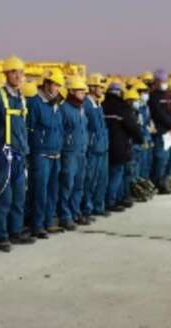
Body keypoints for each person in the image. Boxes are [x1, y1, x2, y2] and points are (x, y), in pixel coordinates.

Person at [0, 56, 35, 251]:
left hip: (20, 154)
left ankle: (16, 231)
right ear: (6, 74)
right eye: (14, 72)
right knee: (4, 198)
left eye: (20, 72)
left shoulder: (21, 97)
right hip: (4, 157)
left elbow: (23, 127)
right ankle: (2, 236)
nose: (18, 76)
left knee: (19, 196)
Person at [26, 69, 64, 239]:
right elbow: (30, 128)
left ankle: (48, 222)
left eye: (59, 85)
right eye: (55, 84)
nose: (57, 88)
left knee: (52, 190)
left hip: (55, 153)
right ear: (46, 84)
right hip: (40, 154)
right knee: (39, 191)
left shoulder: (55, 104)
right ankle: (37, 225)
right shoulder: (35, 103)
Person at [103, 85, 143, 212]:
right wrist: (140, 139)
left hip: (104, 145)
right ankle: (112, 201)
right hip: (119, 145)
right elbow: (132, 126)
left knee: (108, 175)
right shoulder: (122, 107)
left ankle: (109, 200)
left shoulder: (103, 105)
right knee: (117, 174)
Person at [58, 75, 89, 230]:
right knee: (67, 184)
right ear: (71, 91)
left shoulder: (81, 108)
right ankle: (65, 216)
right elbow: (60, 130)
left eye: (84, 91)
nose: (83, 94)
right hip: (69, 152)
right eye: (80, 91)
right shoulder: (64, 108)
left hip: (81, 151)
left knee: (78, 185)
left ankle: (75, 212)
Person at [83, 73, 109, 217]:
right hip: (93, 149)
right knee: (90, 180)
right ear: (92, 87)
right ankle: (87, 209)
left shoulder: (98, 104)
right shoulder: (86, 105)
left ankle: (98, 207)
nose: (102, 89)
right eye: (100, 87)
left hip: (102, 147)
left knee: (101, 179)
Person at [148, 69, 171, 194]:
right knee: (161, 158)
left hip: (169, 132)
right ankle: (158, 183)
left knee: (169, 158)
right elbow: (158, 113)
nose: (164, 83)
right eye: (162, 81)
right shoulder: (153, 96)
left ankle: (166, 181)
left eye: (166, 80)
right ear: (156, 81)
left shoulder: (167, 95)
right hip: (161, 131)